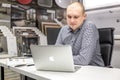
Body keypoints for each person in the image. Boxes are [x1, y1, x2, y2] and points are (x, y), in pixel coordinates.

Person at [55, 2, 104, 66]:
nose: (72, 21)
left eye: (76, 17)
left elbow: (83, 60)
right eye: (69, 17)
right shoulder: (63, 30)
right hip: (72, 66)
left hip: (93, 69)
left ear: (84, 16)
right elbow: (56, 53)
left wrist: (60, 59)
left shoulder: (89, 27)